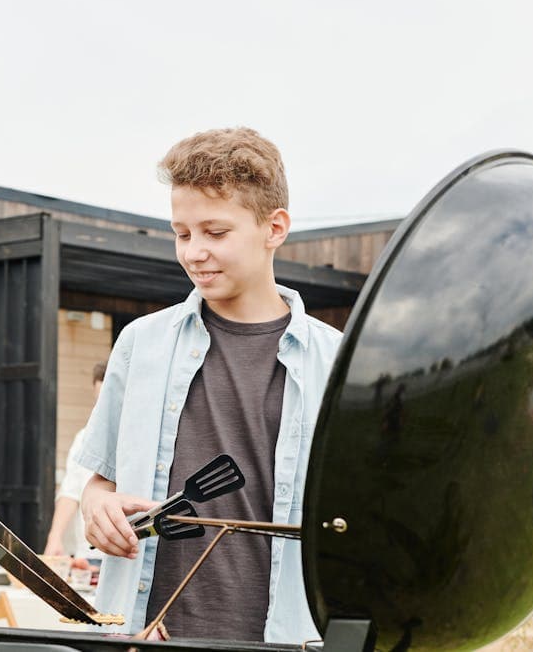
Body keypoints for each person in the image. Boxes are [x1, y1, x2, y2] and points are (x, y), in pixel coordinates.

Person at [76, 127, 342, 644]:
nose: (194, 252)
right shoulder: (140, 343)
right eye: (182, 233)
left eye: (215, 233)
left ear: (275, 227)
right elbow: (100, 481)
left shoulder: (337, 361)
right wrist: (97, 509)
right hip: (145, 634)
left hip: (286, 639)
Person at [43, 361, 107, 557]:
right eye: (98, 402)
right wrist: (54, 538)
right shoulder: (83, 438)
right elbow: (70, 492)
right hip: (86, 556)